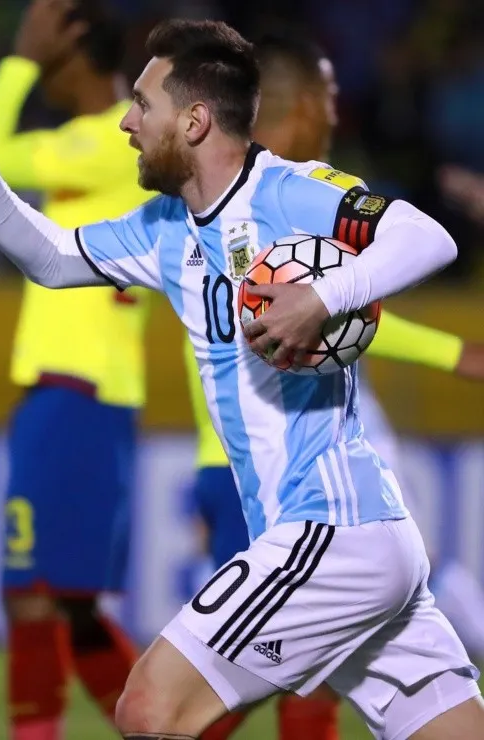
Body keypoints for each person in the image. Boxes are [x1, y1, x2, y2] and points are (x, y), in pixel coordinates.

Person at [0, 17, 484, 740]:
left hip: (333, 527)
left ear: (192, 121)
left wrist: (320, 298)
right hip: (348, 540)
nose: (126, 122)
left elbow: (425, 236)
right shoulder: (163, 229)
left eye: (142, 105)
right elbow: (53, 257)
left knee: (150, 708)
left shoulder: (292, 192)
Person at [183, 31, 484, 740]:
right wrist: (454, 353)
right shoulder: (269, 201)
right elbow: (308, 317)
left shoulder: (276, 195)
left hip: (274, 460)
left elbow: (345, 314)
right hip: (260, 468)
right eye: (329, 93)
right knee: (218, 688)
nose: (337, 109)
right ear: (299, 103)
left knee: (282, 671)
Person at [0, 2, 154, 737]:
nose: (46, 80)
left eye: (51, 60)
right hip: (76, 387)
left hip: (80, 385)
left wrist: (20, 59)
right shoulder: (107, 145)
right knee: (58, 597)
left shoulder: (107, 141)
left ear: (75, 49)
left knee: (37, 595)